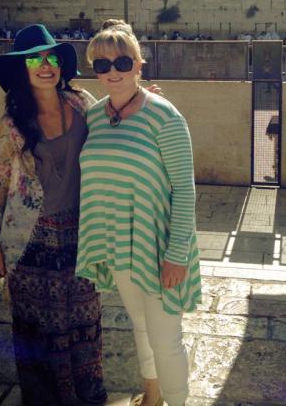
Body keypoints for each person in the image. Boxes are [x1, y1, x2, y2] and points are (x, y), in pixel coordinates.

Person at [76, 20, 201, 406]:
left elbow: (184, 188)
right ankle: (153, 397)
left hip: (161, 245)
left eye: (122, 62)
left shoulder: (164, 115)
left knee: (166, 340)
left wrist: (176, 254)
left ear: (139, 65)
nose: (112, 71)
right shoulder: (94, 118)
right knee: (141, 327)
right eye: (102, 65)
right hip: (118, 243)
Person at [0, 24, 107, 406]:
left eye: (51, 57)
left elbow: (117, 123)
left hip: (81, 231)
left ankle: (86, 395)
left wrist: (144, 101)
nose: (45, 65)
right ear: (22, 69)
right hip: (30, 241)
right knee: (39, 329)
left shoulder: (81, 103)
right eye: (35, 59)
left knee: (83, 320)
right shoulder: (12, 125)